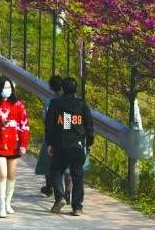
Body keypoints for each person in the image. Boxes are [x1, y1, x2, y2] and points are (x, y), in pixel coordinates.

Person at [46, 76, 93, 216]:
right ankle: (77, 206)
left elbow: (50, 126)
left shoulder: (56, 104)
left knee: (55, 170)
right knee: (77, 175)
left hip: (61, 145)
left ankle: (60, 197)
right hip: (77, 145)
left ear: (62, 88)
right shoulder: (81, 104)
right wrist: (89, 142)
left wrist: (50, 143)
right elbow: (89, 126)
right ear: (76, 89)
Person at [0, 76, 30, 218]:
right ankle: (1, 204)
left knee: (11, 175)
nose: (7, 90)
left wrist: (23, 144)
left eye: (9, 87)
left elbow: (24, 125)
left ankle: (8, 202)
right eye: (4, 87)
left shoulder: (18, 104)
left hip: (14, 145)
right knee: (2, 174)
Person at [36, 75, 65, 198]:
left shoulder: (49, 101)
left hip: (52, 135)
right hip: (66, 135)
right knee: (66, 165)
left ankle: (49, 188)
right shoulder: (68, 101)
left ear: (50, 87)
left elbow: (46, 119)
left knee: (47, 161)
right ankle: (67, 192)